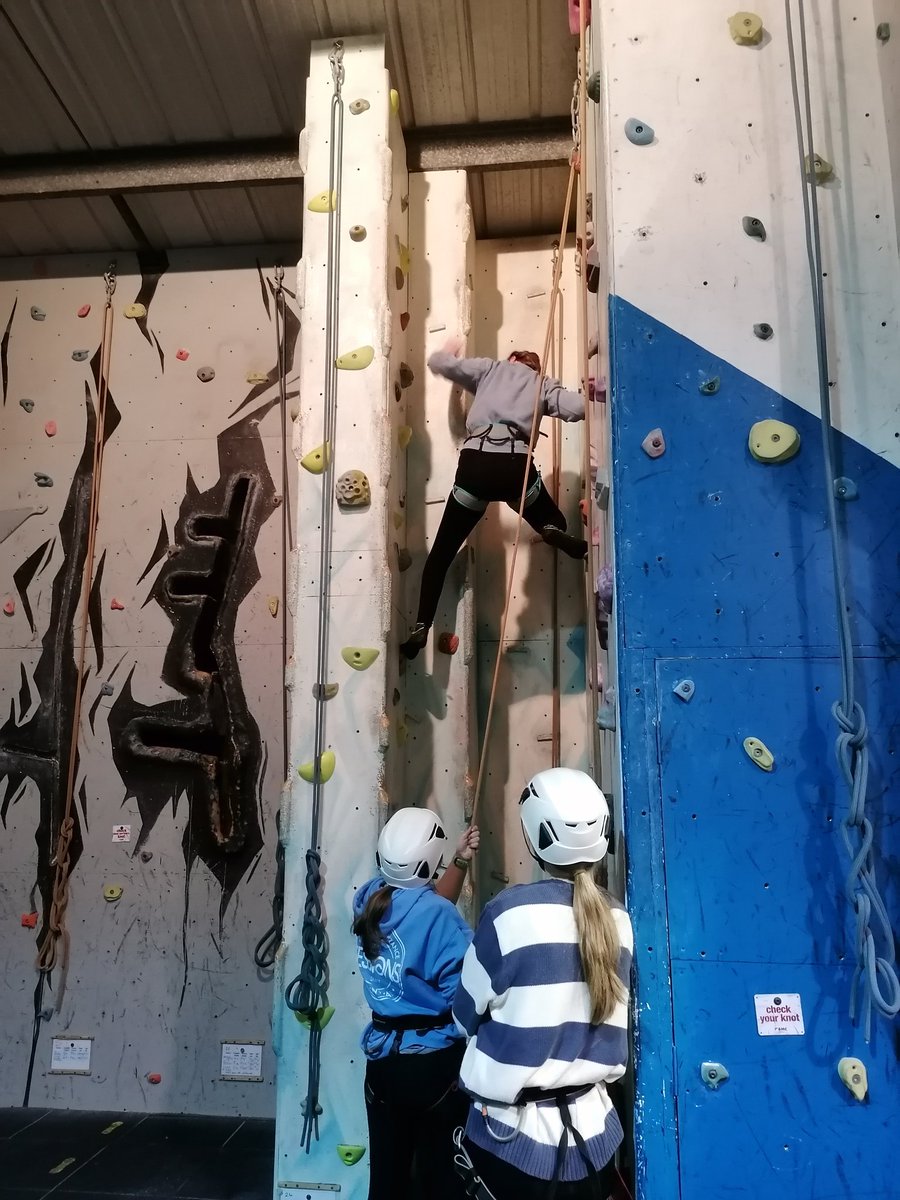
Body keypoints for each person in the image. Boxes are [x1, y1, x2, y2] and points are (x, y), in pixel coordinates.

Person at [451, 768, 632, 1199]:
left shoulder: (507, 916)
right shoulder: (621, 923)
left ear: (534, 837)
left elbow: (463, 1018)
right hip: (598, 1145)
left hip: (510, 1144)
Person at [401, 339, 589, 659]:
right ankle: (550, 529)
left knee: (442, 555)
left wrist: (449, 351)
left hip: (475, 466)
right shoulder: (541, 384)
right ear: (534, 367)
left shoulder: (490, 369)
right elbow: (578, 409)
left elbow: (438, 363)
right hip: (516, 468)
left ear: (512, 358)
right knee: (552, 519)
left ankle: (421, 626)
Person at [352, 807, 480, 1200]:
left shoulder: (369, 899)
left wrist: (458, 860)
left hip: (382, 1066)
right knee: (441, 1180)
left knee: (388, 1180)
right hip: (433, 1068)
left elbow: (422, 905)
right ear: (429, 863)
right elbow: (468, 995)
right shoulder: (443, 919)